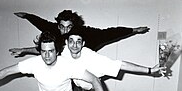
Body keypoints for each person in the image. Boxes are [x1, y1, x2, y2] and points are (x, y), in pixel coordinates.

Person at [9, 10, 150, 56]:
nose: (64, 31)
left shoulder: (87, 34)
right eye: (61, 27)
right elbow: (40, 22)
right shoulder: (54, 31)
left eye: (68, 27)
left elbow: (110, 33)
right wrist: (27, 16)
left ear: (74, 26)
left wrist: (134, 30)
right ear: (58, 25)